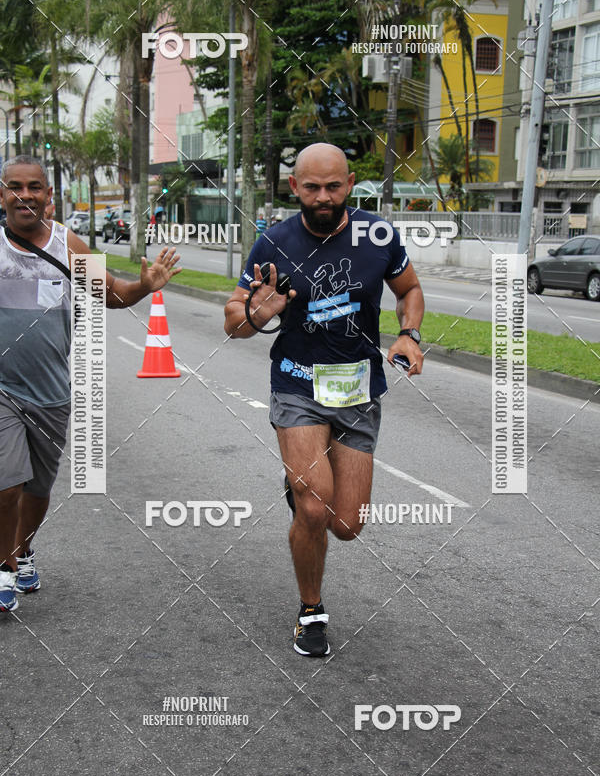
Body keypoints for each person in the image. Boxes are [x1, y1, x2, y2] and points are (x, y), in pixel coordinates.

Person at [224, 143, 424, 657]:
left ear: (350, 184)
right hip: (298, 385)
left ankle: (302, 489)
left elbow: (409, 289)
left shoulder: (378, 235)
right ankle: (311, 611)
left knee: (347, 524)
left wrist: (409, 334)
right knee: (314, 510)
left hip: (358, 390)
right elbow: (234, 323)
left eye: (333, 187)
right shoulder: (274, 242)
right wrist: (259, 313)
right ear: (294, 187)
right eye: (311, 187)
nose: (323, 198)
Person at [0, 156, 181, 612]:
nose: (25, 195)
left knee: (36, 490)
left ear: (49, 195)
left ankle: (23, 549)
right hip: (3, 390)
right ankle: (3, 568)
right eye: (15, 186)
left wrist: (145, 286)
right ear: (2, 195)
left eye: (34, 187)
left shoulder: (67, 244)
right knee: (6, 484)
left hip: (50, 393)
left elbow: (113, 294)